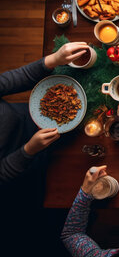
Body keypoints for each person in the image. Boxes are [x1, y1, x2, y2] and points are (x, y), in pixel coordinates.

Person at [0, 42, 89, 186]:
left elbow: (15, 79)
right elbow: (3, 173)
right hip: (29, 160)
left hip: (30, 117)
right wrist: (29, 149)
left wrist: (54, 59)